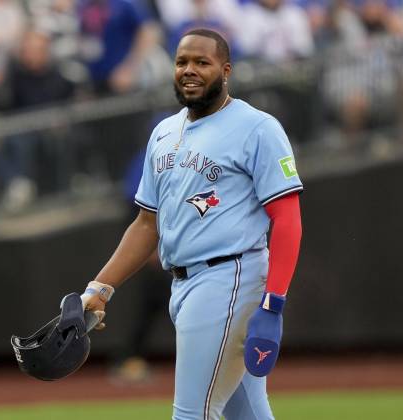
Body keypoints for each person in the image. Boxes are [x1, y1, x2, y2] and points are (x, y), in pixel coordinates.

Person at [80, 28, 303, 419]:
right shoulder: (164, 132)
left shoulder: (257, 128)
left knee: (192, 413)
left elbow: (287, 219)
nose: (189, 70)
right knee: (246, 412)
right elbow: (146, 224)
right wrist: (101, 286)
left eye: (202, 62)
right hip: (184, 284)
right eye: (182, 61)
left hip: (230, 278)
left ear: (226, 71)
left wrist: (273, 303)